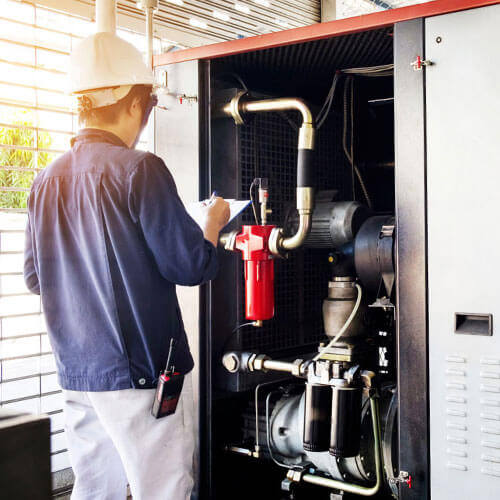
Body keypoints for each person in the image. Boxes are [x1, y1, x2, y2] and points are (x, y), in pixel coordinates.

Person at [23, 31, 229, 500]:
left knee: (96, 489)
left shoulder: (43, 181)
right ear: (136, 104)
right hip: (141, 373)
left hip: (78, 373)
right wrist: (211, 222)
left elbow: (36, 277)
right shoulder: (141, 169)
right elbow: (192, 265)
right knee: (164, 488)